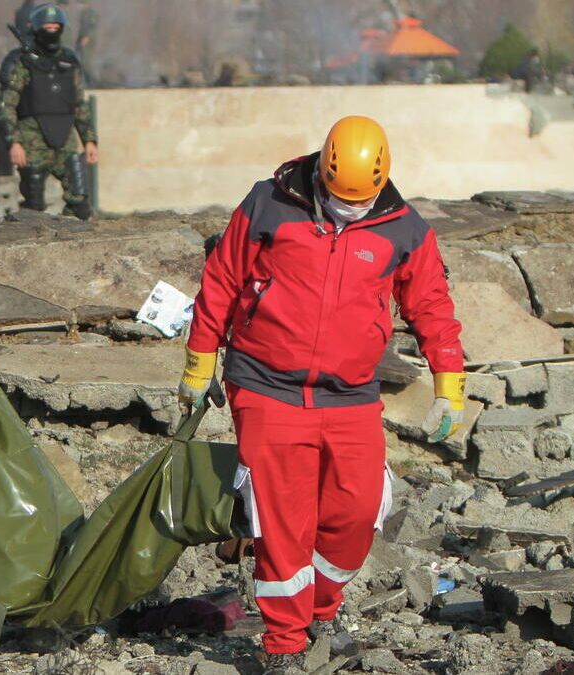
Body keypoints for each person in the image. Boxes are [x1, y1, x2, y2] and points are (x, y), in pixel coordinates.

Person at [178, 116, 464, 672]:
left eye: (360, 200)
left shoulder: (405, 229)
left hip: (351, 394)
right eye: (337, 197)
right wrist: (199, 361)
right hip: (265, 384)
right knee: (282, 516)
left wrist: (449, 382)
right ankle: (284, 643)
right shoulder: (267, 204)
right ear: (321, 171)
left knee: (356, 510)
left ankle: (322, 607)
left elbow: (431, 305)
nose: (347, 208)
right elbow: (221, 279)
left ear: (382, 183)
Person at [0, 4, 98, 220]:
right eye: (46, 26)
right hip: (32, 140)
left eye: (55, 26)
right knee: (34, 207)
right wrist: (14, 143)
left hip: (65, 139)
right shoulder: (22, 61)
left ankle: (71, 240)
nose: (51, 29)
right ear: (36, 28)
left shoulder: (69, 62)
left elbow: (79, 103)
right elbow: (7, 105)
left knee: (80, 202)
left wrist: (89, 140)